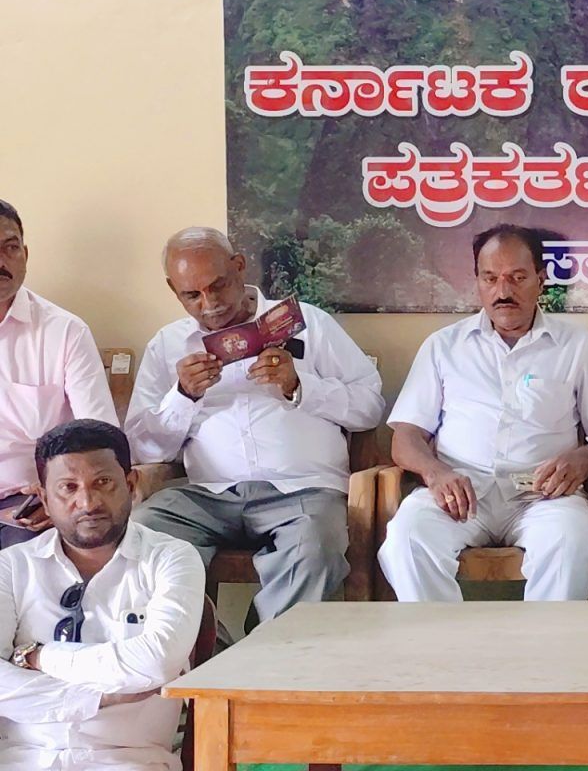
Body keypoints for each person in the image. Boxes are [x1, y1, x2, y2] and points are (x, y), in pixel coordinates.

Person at [126, 227, 385, 622]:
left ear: (239, 266)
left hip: (302, 491)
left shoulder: (309, 323)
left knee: (315, 547)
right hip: (209, 494)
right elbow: (143, 448)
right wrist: (183, 396)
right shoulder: (167, 345)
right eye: (192, 295)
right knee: (141, 534)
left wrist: (300, 385)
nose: (210, 304)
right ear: (172, 290)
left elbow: (370, 406)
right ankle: (212, 648)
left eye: (218, 285)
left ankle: (265, 651)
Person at [377, 224, 588, 601]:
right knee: (406, 539)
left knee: (571, 543)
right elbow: (406, 437)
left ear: (540, 279)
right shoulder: (443, 346)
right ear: (478, 282)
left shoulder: (578, 346)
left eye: (517, 277)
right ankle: (437, 639)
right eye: (490, 278)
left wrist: (585, 457)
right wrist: (435, 473)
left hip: (544, 495)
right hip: (459, 491)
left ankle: (542, 641)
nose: (503, 292)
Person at [0, 419, 204, 771]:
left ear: (131, 485)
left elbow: (156, 661)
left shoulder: (172, 558)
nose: (87, 502)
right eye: (68, 487)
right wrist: (97, 698)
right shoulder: (12, 566)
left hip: (130, 761)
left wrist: (40, 657)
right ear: (44, 498)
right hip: (23, 760)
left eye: (103, 482)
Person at [0, 198, 117, 548]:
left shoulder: (64, 332)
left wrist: (61, 498)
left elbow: (100, 436)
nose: (1, 261)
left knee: (28, 566)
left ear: (25, 254)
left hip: (31, 506)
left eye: (10, 248)